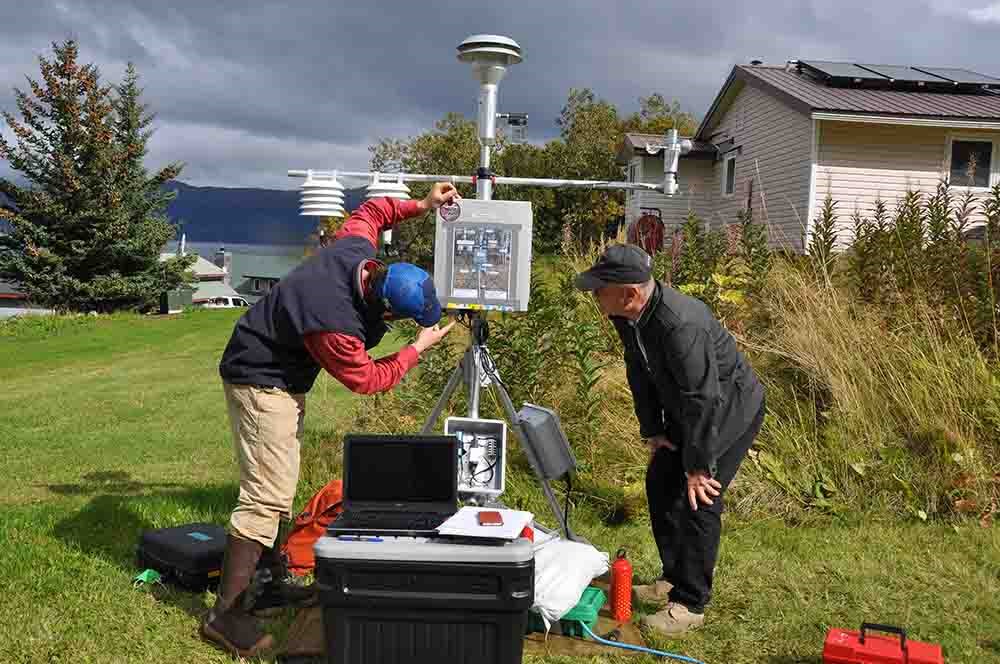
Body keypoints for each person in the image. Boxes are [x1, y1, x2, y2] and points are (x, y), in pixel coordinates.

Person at [201, 182, 460, 657]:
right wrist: (415, 350)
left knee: (280, 483)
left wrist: (422, 205)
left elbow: (375, 208)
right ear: (384, 306)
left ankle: (270, 584)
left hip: (279, 374)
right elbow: (367, 379)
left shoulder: (355, 247)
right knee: (266, 495)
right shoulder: (334, 323)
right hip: (259, 379)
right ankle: (225, 616)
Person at [574, 243, 765, 635]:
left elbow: (704, 396)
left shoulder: (681, 323)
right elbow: (638, 372)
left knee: (698, 497)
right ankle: (671, 579)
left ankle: (690, 602)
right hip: (690, 408)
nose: (594, 294)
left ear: (630, 292)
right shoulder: (627, 316)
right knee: (660, 482)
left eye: (600, 287)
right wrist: (654, 430)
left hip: (727, 408)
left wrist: (697, 466)